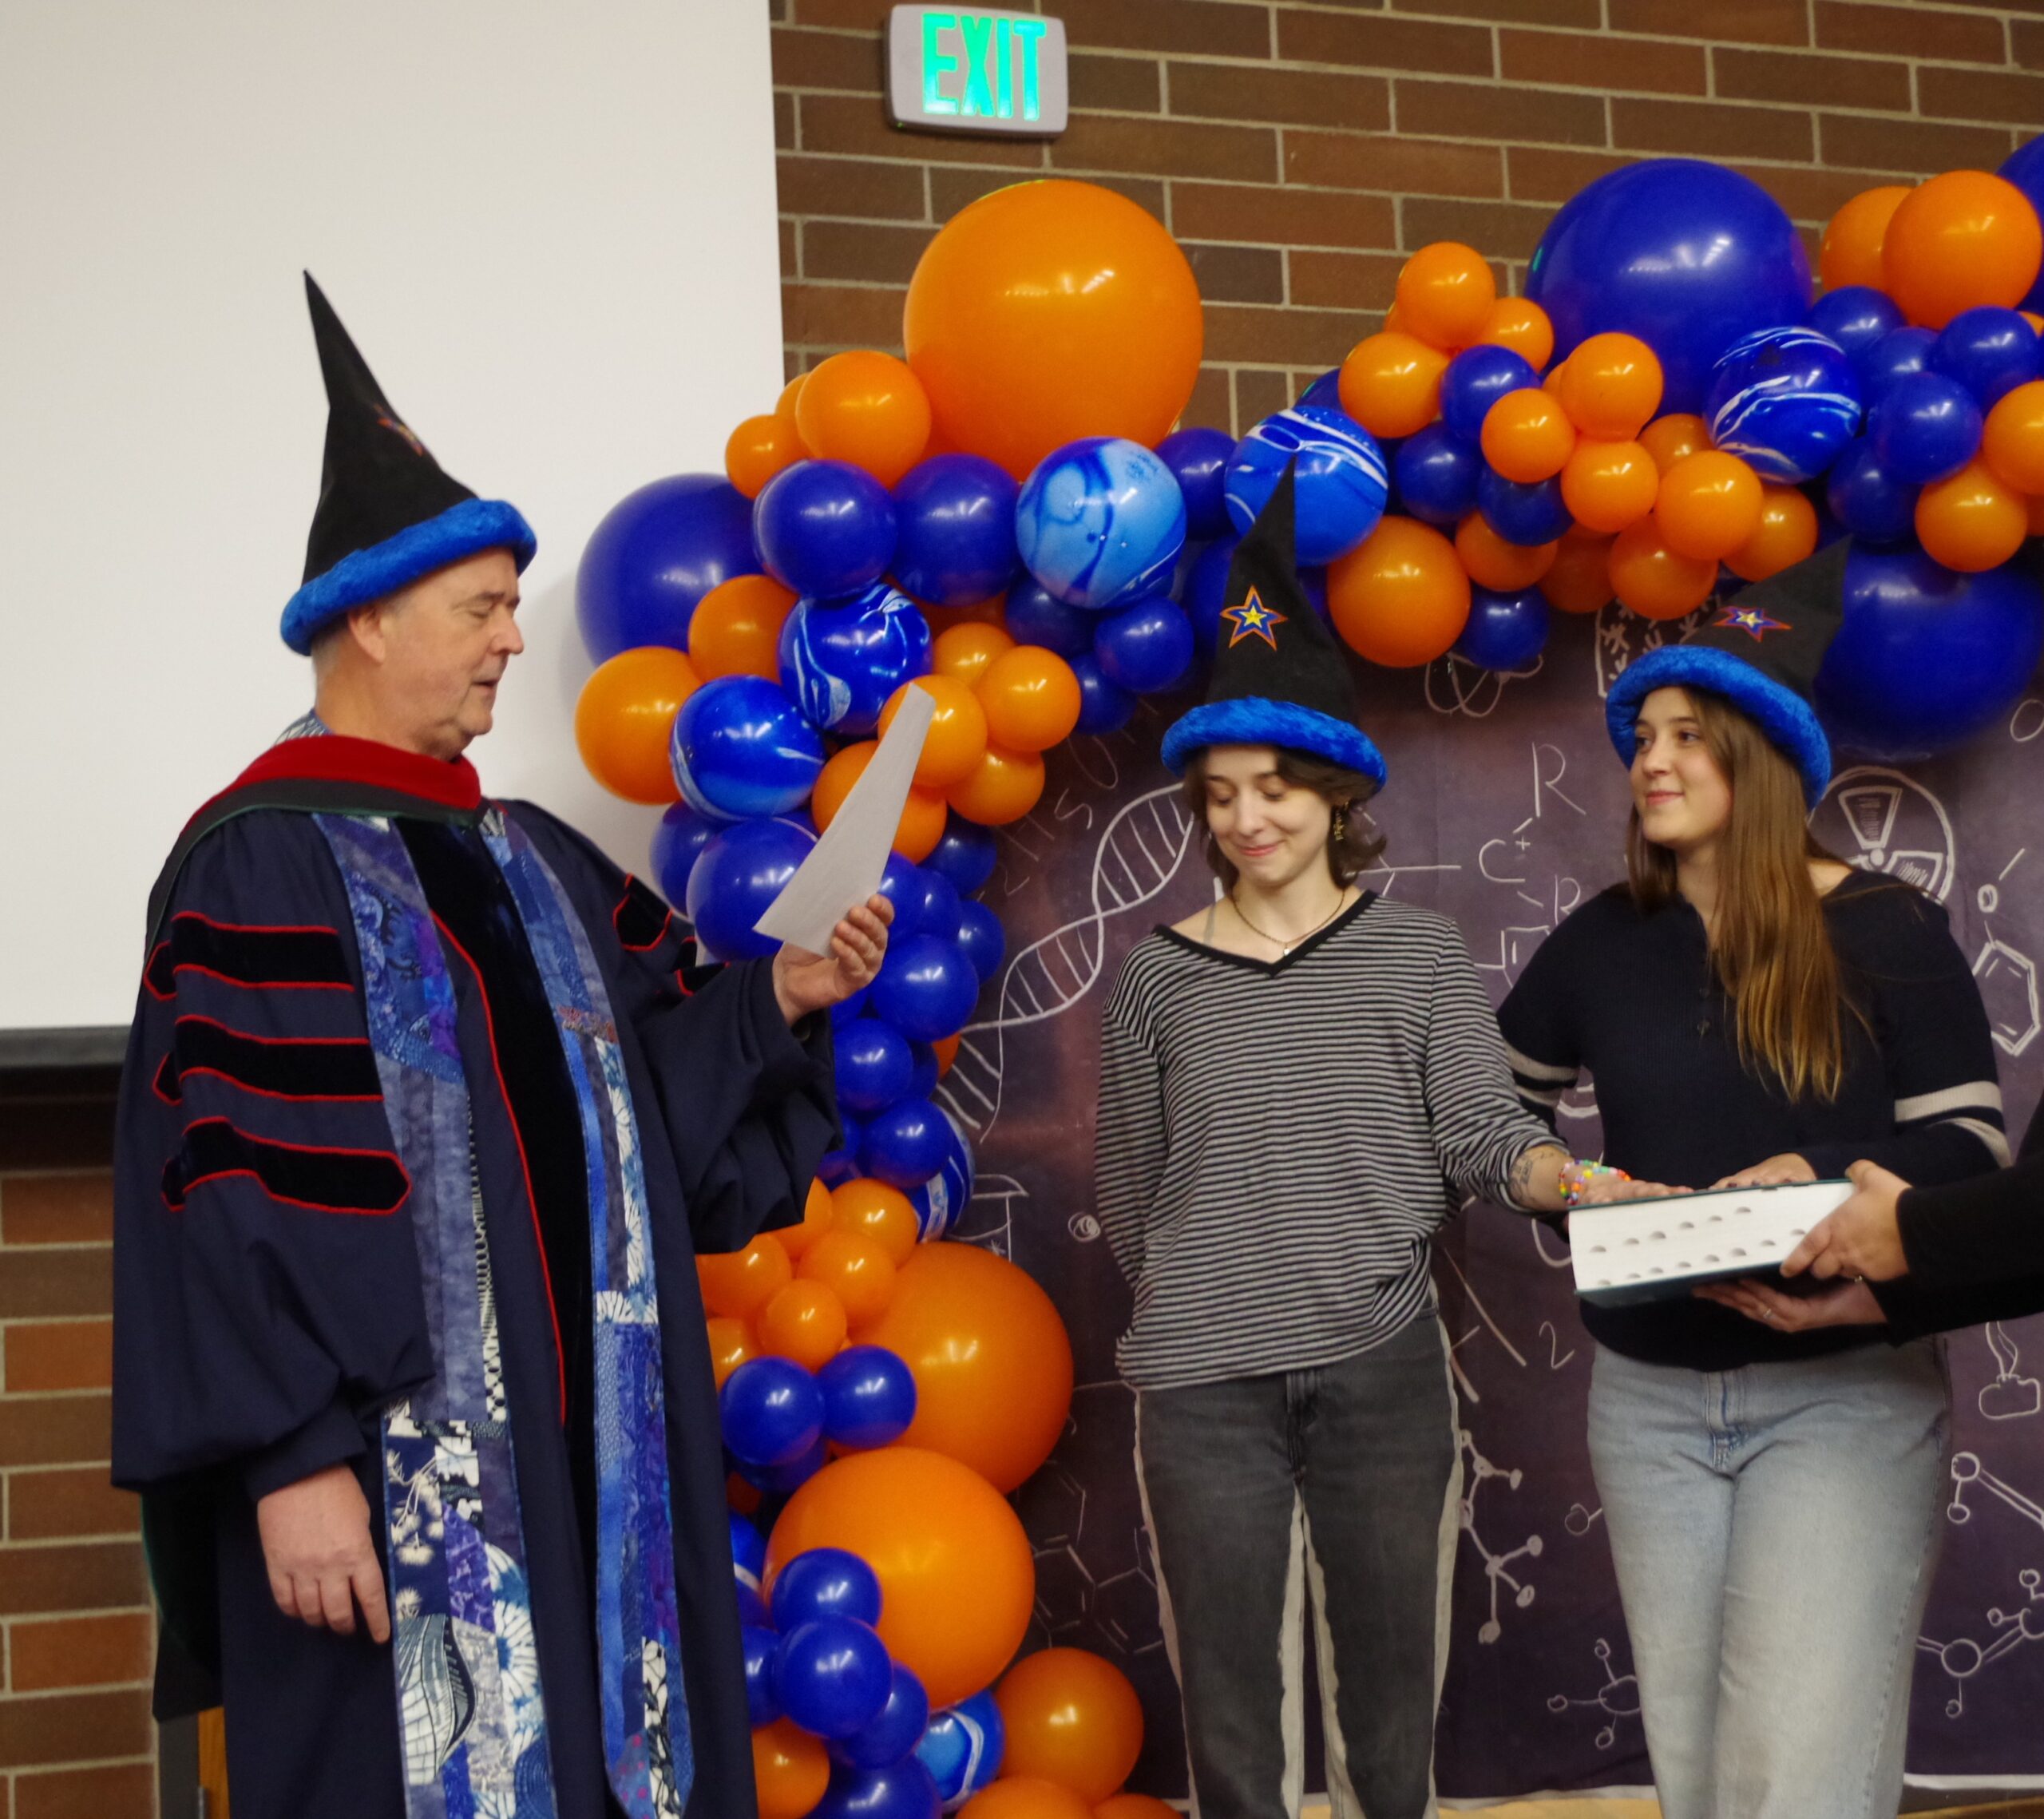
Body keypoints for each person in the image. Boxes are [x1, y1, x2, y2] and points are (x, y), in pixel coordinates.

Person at [110, 276, 889, 1819]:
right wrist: (291, 1459)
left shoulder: (529, 856)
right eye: (479, 610)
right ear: (365, 619)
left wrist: (777, 995)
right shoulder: (258, 868)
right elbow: (232, 1187)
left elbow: (636, 1131)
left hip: (598, 1477)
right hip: (395, 1504)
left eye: (515, 608)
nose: (512, 643)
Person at [1094, 468, 1611, 1819]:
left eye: (1273, 786)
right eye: (1217, 794)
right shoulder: (1153, 974)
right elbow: (1133, 1185)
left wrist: (1566, 1176)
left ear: (1333, 790)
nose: (1246, 818)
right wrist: (1211, 1286)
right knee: (1232, 1712)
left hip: (1383, 1372)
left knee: (1390, 1711)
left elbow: (1483, 1134)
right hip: (1204, 1391)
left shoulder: (1418, 954)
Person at [1497, 540, 2006, 1819]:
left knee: (1803, 1782)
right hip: (1649, 1403)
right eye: (1644, 734)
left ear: (1766, 761)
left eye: (1689, 735)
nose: (1651, 759)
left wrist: (1821, 1171)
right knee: (1707, 1781)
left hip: (1843, 1399)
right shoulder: (1604, 937)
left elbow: (1975, 1154)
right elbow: (1487, 1118)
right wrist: (1568, 1181)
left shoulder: (1889, 928)